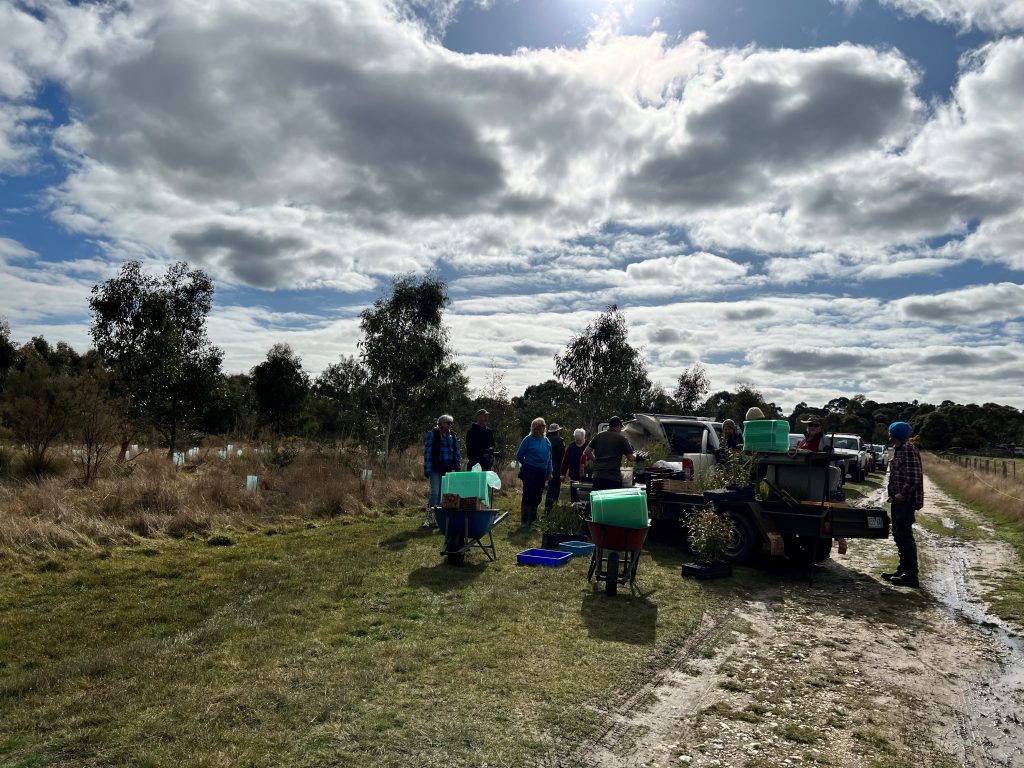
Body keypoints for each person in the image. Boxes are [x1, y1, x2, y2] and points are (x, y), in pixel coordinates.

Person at [884, 421, 923, 587]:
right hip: (897, 500)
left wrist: (902, 494)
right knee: (898, 535)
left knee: (905, 537)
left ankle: (911, 576)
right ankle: (902, 569)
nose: (888, 434)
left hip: (905, 502)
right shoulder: (899, 449)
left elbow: (914, 477)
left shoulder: (908, 449)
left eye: (890, 431)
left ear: (895, 434)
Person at [423, 414, 461, 528]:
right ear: (441, 424)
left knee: (442, 495)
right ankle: (428, 518)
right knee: (435, 492)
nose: (450, 425)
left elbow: (457, 453)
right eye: (448, 423)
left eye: (451, 423)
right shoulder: (432, 435)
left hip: (447, 469)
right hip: (435, 468)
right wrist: (427, 469)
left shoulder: (453, 436)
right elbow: (427, 452)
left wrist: (457, 468)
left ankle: (438, 518)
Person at [516, 417, 553, 527]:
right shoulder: (528, 439)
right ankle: (524, 520)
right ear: (535, 428)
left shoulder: (547, 441)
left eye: (543, 426)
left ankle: (532, 519)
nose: (542, 429)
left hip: (542, 471)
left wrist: (550, 472)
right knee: (528, 493)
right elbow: (519, 455)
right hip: (529, 470)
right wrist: (527, 464)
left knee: (538, 494)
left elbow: (549, 458)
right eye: (540, 426)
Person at [584, 416, 635, 493]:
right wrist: (636, 455)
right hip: (613, 477)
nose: (621, 429)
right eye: (620, 427)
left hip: (598, 476)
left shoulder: (598, 436)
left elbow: (587, 451)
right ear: (618, 426)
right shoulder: (622, 439)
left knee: (598, 499)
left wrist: (595, 460)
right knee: (611, 500)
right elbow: (631, 458)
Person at [560, 428, 588, 503]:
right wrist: (563, 473)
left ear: (583, 437)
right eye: (577, 440)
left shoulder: (588, 445)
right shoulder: (571, 446)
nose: (578, 441)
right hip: (574, 474)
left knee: (585, 493)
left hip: (586, 475)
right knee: (574, 494)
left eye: (580, 440)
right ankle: (575, 507)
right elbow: (565, 461)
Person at [544, 423, 566, 513]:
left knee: (550, 488)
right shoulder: (560, 441)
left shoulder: (545, 440)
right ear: (557, 431)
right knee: (555, 488)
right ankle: (552, 509)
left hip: (545, 467)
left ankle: (547, 508)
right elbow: (563, 457)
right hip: (556, 468)